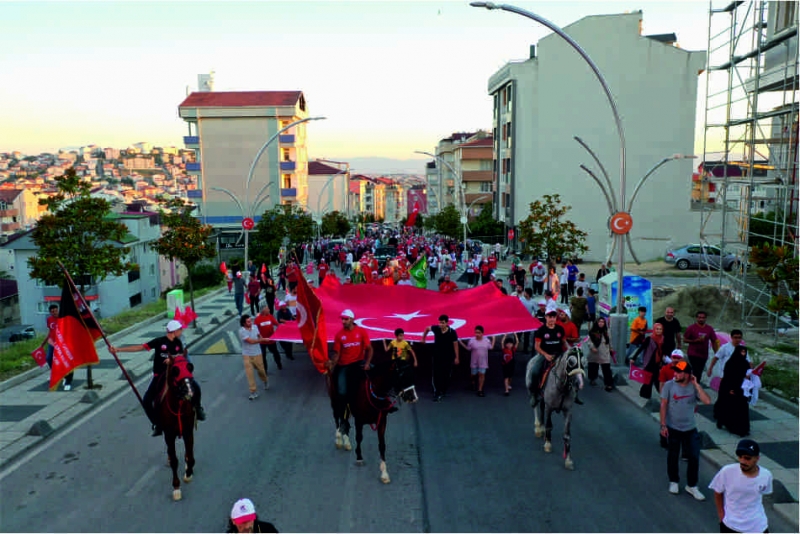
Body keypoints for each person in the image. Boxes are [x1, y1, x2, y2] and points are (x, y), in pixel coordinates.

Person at [110, 320, 206, 436]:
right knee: (146, 401)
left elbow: (182, 356)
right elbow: (140, 347)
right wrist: (118, 350)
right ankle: (157, 424)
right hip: (160, 375)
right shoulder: (159, 342)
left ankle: (198, 408)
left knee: (196, 387)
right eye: (179, 329)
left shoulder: (178, 343)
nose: (181, 331)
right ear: (173, 331)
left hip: (175, 374)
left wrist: (173, 359)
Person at [659, 359, 712, 500]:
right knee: (673, 456)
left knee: (694, 457)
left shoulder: (693, 387)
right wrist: (663, 425)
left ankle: (692, 485)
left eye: (678, 372)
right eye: (675, 371)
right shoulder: (669, 386)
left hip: (690, 429)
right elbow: (663, 405)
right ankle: (674, 481)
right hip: (673, 428)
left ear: (687, 374)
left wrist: (696, 385)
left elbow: (707, 401)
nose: (675, 374)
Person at [709, 439, 773, 534]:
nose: (742, 461)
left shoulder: (766, 475)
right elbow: (718, 492)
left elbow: (764, 492)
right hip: (731, 526)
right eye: (740, 457)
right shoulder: (727, 471)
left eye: (747, 458)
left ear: (757, 458)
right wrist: (721, 516)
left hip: (758, 527)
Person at [328, 309, 373, 407]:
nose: (343, 321)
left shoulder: (361, 331)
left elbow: (370, 349)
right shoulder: (339, 335)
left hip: (359, 362)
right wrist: (331, 364)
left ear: (352, 319)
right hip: (344, 365)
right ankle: (343, 417)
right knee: (342, 391)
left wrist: (367, 363)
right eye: (342, 319)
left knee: (378, 374)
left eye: (346, 319)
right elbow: (337, 354)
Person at [529, 304, 568, 401]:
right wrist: (546, 355)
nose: (552, 319)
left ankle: (572, 393)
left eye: (554, 317)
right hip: (545, 354)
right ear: (546, 317)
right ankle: (534, 393)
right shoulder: (541, 330)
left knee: (573, 370)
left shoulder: (560, 329)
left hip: (559, 354)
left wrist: (570, 350)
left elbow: (564, 342)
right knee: (534, 371)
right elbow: (537, 347)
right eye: (550, 317)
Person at [713, 345, 752, 437]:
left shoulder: (745, 363)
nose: (743, 354)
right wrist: (730, 389)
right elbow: (728, 378)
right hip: (730, 388)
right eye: (741, 352)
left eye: (744, 352)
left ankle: (743, 428)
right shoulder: (731, 363)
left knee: (742, 408)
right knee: (730, 407)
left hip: (741, 388)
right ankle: (731, 426)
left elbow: (747, 374)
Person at [422, 315, 460, 402]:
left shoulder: (452, 332)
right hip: (437, 356)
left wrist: (457, 357)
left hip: (448, 356)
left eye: (443, 323)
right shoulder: (436, 329)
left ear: (447, 323)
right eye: (440, 322)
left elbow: (455, 345)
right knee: (436, 374)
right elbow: (427, 328)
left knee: (446, 374)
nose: (441, 324)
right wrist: (423, 338)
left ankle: (443, 389)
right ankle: (437, 391)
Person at [40, 304, 75, 391]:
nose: (54, 313)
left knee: (64, 361)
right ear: (50, 312)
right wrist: (43, 343)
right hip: (52, 342)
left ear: (58, 310)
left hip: (62, 344)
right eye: (52, 312)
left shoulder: (63, 318)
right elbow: (50, 331)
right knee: (48, 358)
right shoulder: (49, 320)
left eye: (55, 311)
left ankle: (67, 379)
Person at [383, 328, 418, 403]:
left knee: (406, 375)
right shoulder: (393, 342)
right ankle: (398, 391)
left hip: (402, 362)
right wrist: (384, 341)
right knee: (393, 377)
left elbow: (412, 351)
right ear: (396, 336)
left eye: (403, 336)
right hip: (395, 362)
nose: (402, 337)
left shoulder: (405, 343)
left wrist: (415, 361)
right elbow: (386, 350)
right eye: (400, 336)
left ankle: (408, 390)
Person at [683, 310, 719, 384]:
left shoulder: (709, 329)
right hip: (693, 353)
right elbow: (685, 339)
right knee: (697, 371)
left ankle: (694, 384)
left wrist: (716, 353)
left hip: (703, 354)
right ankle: (695, 386)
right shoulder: (691, 328)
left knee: (699, 371)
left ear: (706, 318)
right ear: (696, 318)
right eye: (699, 317)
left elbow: (714, 341)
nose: (701, 319)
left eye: (703, 318)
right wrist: (695, 341)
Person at [240, 314, 269, 400]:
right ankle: (253, 392)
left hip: (257, 353)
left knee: (261, 370)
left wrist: (262, 338)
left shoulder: (255, 327)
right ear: (244, 323)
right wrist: (263, 340)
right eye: (248, 322)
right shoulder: (242, 331)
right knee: (249, 373)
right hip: (247, 354)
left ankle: (265, 380)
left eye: (250, 321)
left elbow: (259, 335)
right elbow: (251, 341)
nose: (251, 322)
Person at [460, 325, 494, 397]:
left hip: (483, 362)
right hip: (474, 362)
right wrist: (460, 342)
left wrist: (494, 339)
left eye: (478, 333)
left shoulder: (487, 340)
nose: (477, 334)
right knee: (473, 375)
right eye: (476, 332)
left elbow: (491, 348)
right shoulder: (472, 341)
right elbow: (468, 348)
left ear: (482, 333)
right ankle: (472, 383)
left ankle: (480, 390)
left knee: (481, 375)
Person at [585, 317, 614, 392]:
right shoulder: (592, 331)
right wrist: (592, 347)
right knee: (593, 366)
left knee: (606, 369)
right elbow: (589, 341)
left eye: (602, 322)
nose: (601, 323)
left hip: (604, 351)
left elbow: (610, 340)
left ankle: (608, 384)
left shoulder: (607, 331)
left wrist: (611, 348)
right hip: (595, 351)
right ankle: (592, 378)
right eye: (599, 322)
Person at [255, 306, 283, 372]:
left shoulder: (270, 316)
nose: (269, 309)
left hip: (271, 340)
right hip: (263, 341)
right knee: (263, 356)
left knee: (275, 353)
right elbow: (255, 330)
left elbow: (277, 324)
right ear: (263, 310)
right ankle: (265, 369)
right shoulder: (257, 319)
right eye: (268, 309)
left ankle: (279, 363)